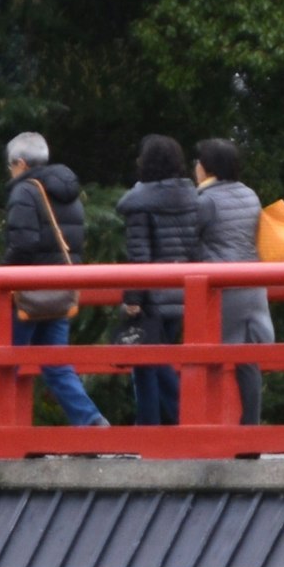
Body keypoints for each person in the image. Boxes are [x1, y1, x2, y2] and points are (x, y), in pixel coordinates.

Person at [0, 132, 107, 430]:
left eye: (11, 166)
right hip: (60, 291)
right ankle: (92, 423)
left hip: (30, 294)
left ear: (20, 163)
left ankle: (1, 433)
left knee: (5, 362)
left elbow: (23, 245)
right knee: (57, 364)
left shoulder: (25, 191)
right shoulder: (69, 194)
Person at [115, 134, 200, 428]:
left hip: (152, 294)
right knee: (156, 358)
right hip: (185, 292)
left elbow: (140, 255)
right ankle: (158, 424)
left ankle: (172, 421)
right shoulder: (193, 198)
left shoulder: (140, 203)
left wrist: (132, 297)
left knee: (150, 363)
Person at [193, 137, 273, 427]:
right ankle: (250, 427)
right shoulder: (250, 194)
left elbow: (191, 242)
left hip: (223, 288)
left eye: (198, 162)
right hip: (253, 283)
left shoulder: (205, 200)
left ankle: (208, 428)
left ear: (207, 168)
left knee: (210, 357)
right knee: (248, 360)